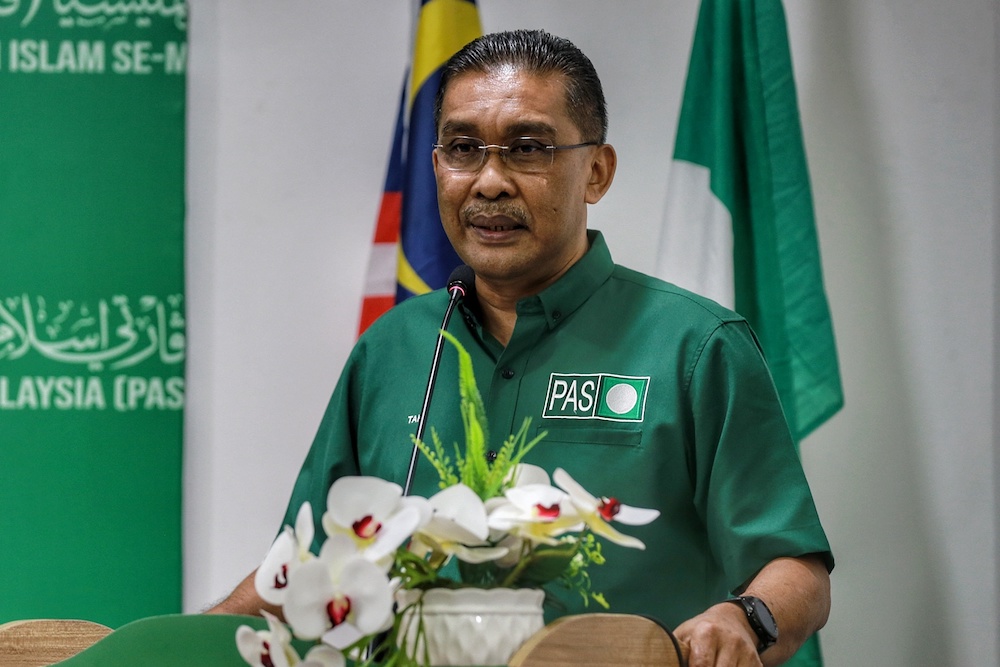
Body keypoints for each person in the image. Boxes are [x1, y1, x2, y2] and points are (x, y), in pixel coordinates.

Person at [210, 29, 832, 667]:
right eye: (462, 148)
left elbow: (798, 567)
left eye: (527, 149)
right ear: (436, 168)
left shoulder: (697, 347)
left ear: (597, 171)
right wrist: (165, 645)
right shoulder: (393, 348)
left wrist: (743, 618)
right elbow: (303, 569)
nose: (489, 181)